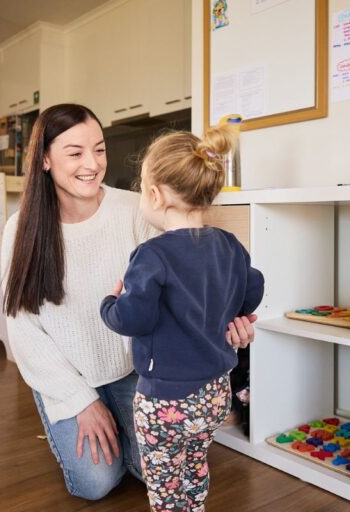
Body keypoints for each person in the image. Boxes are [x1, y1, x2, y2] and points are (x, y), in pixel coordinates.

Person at [1, 104, 257, 501]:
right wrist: (79, 400)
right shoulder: (21, 229)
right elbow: (22, 328)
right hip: (69, 372)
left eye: (100, 150)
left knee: (155, 467)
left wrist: (229, 325)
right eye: (75, 153)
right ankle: (76, 414)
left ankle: (121, 427)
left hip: (135, 370)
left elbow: (186, 292)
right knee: (96, 482)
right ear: (46, 159)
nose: (92, 164)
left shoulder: (136, 210)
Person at [100, 124, 265, 511]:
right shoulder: (228, 245)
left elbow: (132, 319)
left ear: (154, 194)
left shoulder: (151, 255)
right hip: (214, 396)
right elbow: (252, 290)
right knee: (194, 469)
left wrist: (109, 302)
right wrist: (227, 309)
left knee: (164, 487)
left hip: (165, 401)